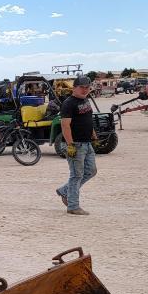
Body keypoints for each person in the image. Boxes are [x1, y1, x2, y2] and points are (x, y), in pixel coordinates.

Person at [55, 76, 97, 215]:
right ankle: (73, 206)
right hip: (76, 144)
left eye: (87, 87)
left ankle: (65, 191)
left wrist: (92, 132)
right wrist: (70, 144)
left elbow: (87, 118)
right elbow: (65, 125)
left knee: (91, 171)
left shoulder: (85, 100)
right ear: (74, 88)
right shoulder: (69, 103)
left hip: (87, 143)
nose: (85, 90)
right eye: (82, 87)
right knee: (76, 175)